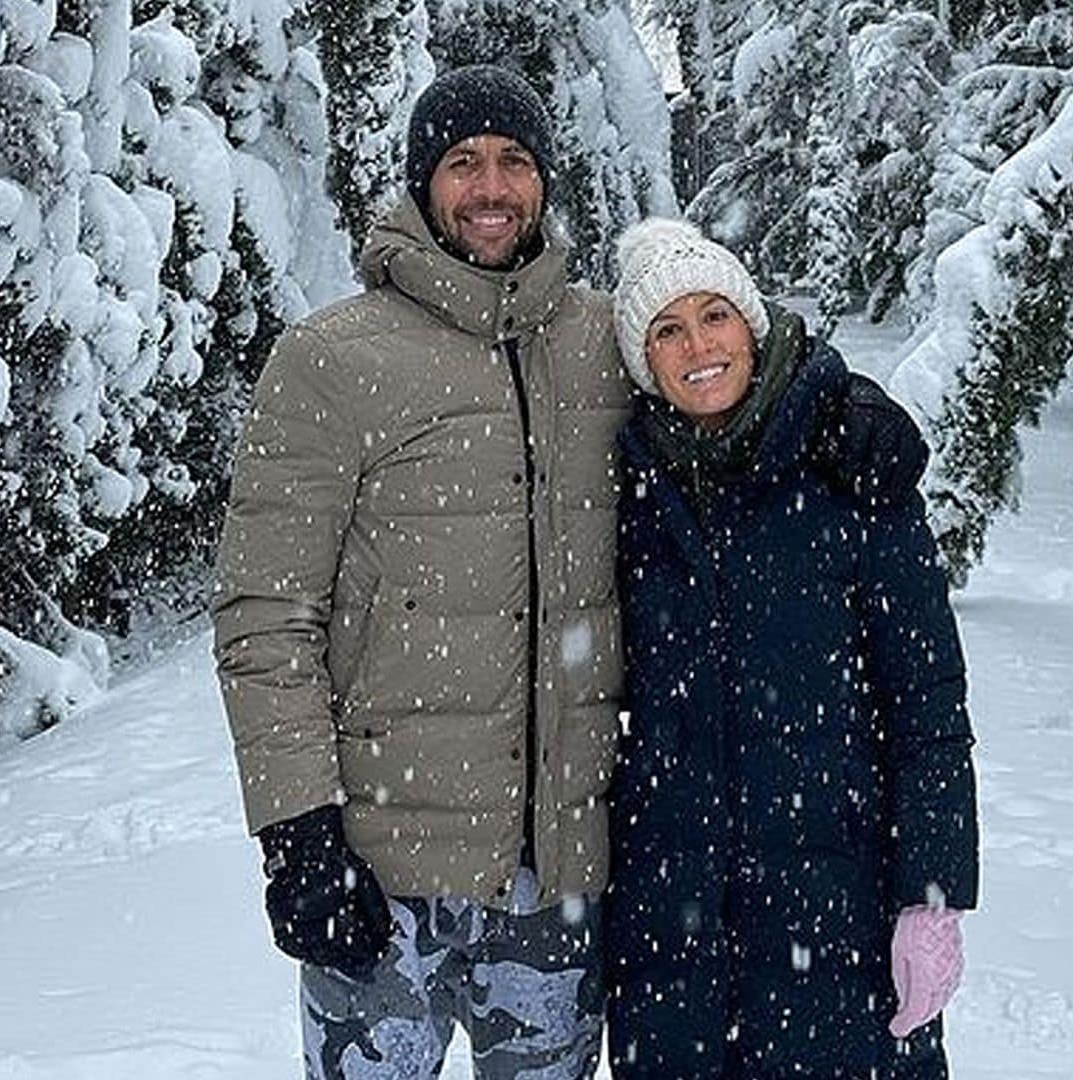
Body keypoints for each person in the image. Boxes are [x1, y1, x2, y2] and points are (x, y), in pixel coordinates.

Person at [213, 66, 925, 1080]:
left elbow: (724, 351)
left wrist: (834, 400)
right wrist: (295, 831)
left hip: (557, 883)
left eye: (514, 162)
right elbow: (264, 620)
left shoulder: (598, 341)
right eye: (463, 165)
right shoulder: (331, 359)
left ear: (546, 182)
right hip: (380, 878)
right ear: (422, 186)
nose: (491, 188)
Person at [604, 218, 979, 1079]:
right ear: (642, 362)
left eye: (715, 315)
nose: (698, 345)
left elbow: (927, 703)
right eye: (667, 330)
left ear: (754, 324)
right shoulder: (626, 492)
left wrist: (932, 898)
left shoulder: (850, 467)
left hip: (837, 910)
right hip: (675, 928)